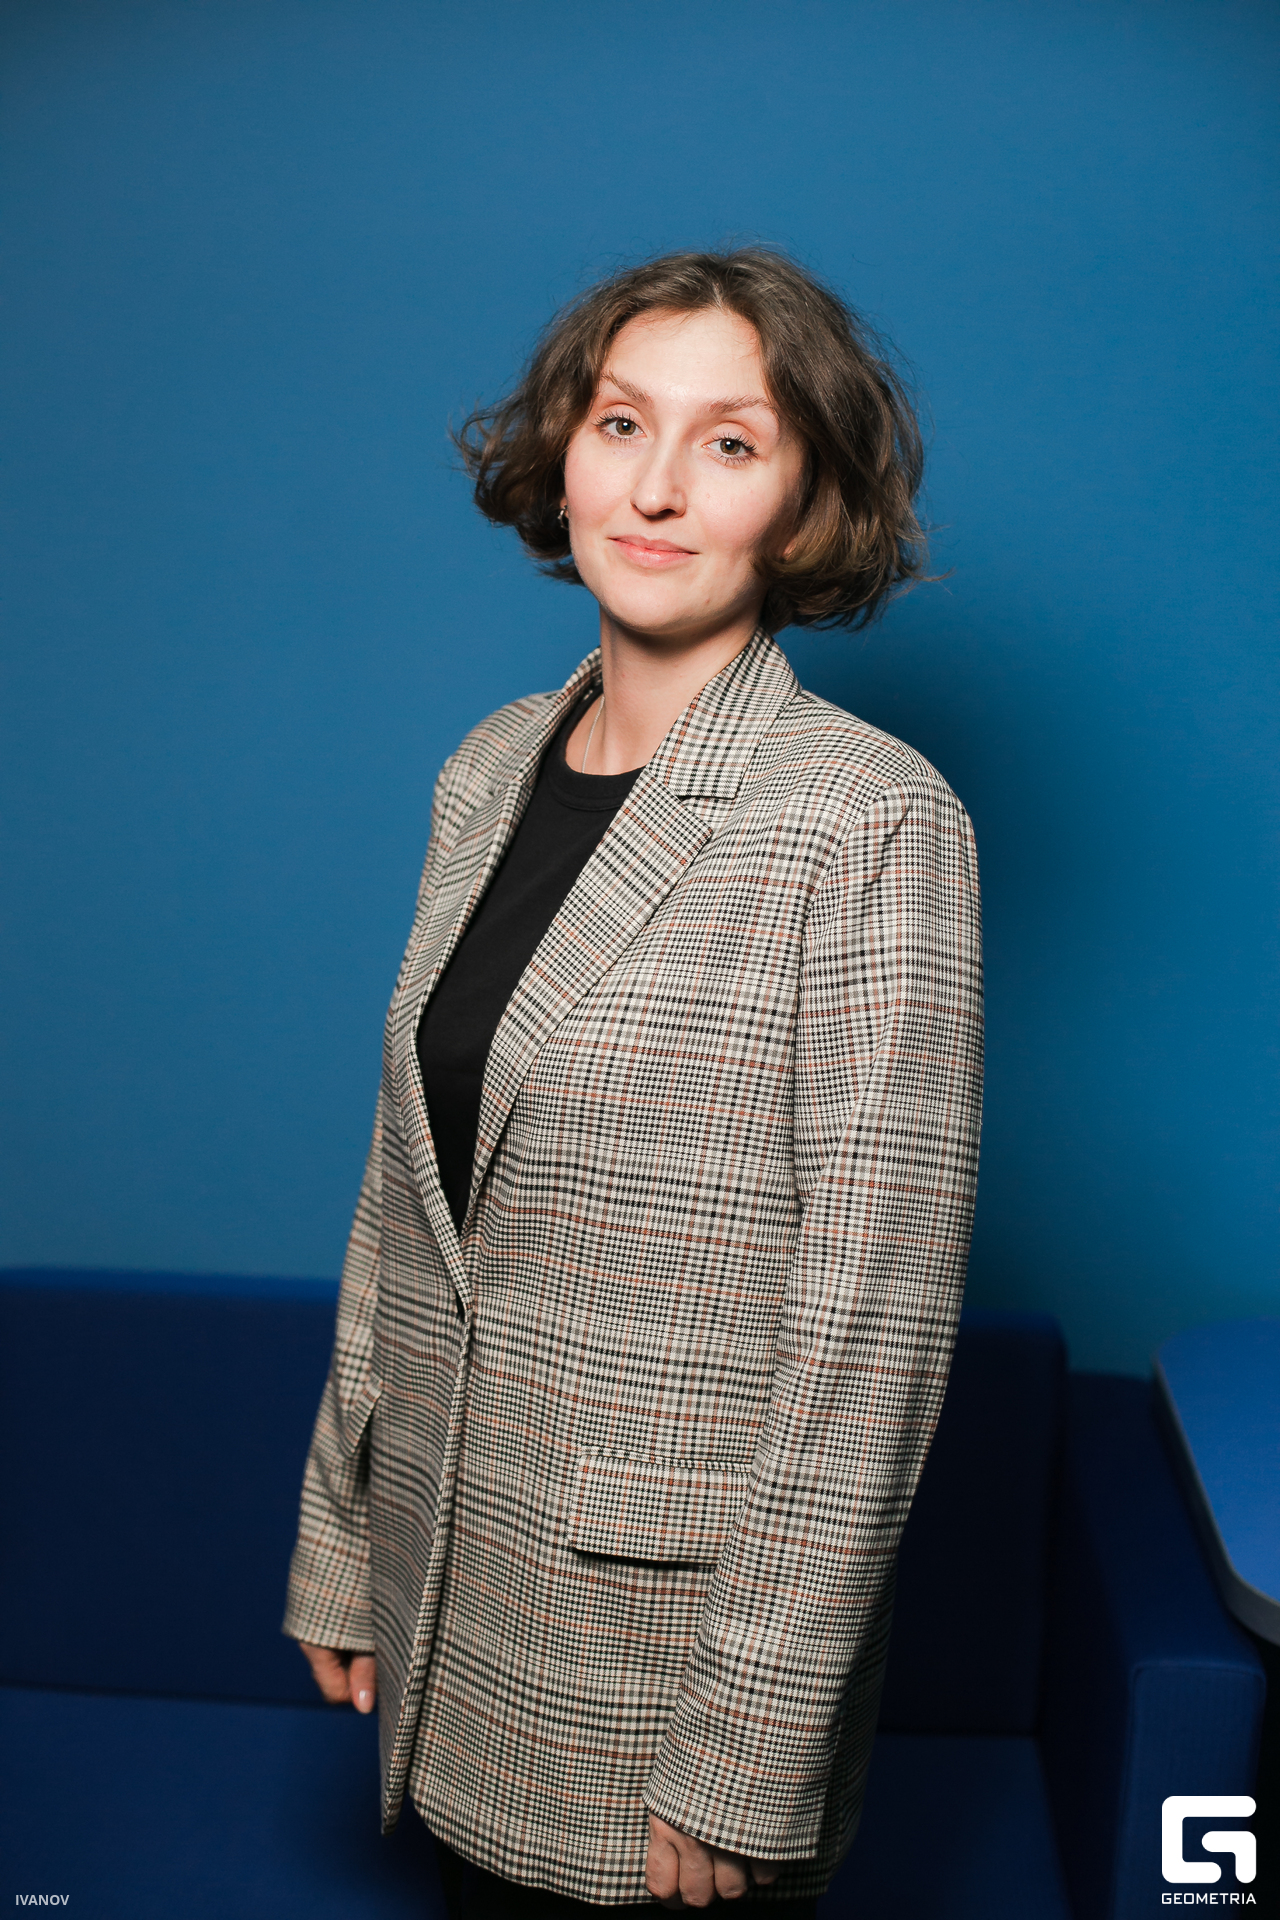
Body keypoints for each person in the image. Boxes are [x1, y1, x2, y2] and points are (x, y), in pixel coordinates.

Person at [282, 247, 984, 1914]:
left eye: (730, 442)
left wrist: (751, 1748)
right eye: (620, 424)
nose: (657, 487)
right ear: (563, 456)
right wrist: (341, 1541)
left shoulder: (871, 817)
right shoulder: (486, 766)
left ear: (804, 507)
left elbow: (871, 1335)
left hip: (659, 1667)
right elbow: (405, 1199)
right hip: (451, 1585)